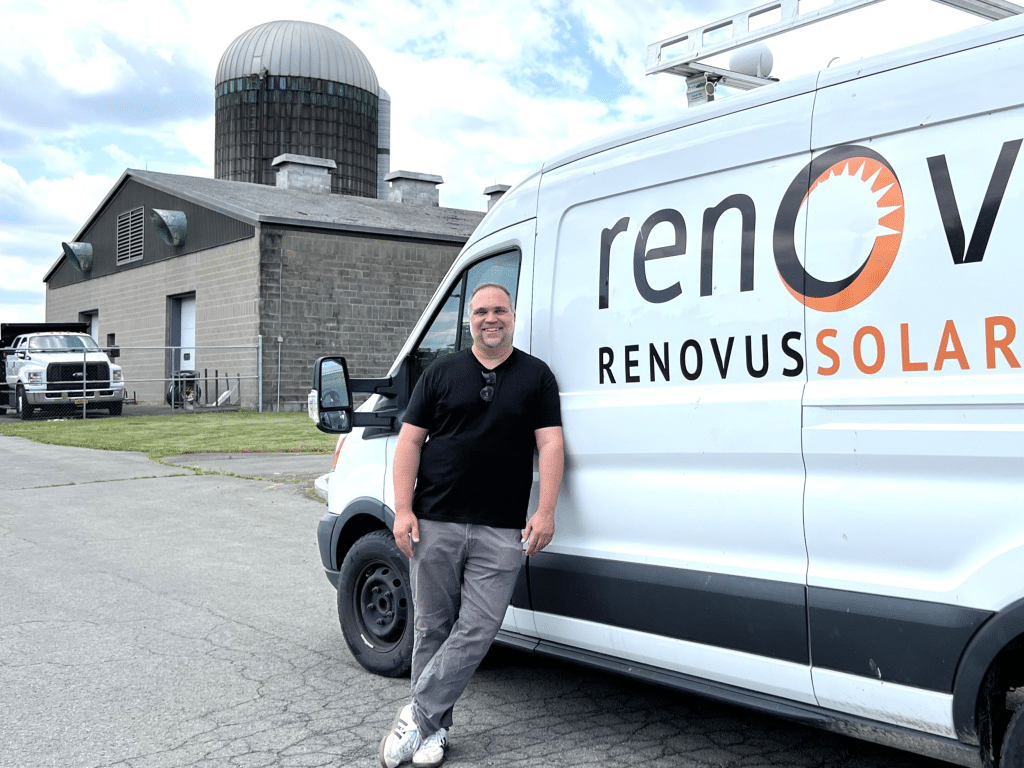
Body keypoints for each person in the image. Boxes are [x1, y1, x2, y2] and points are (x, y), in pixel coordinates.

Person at [379, 283, 564, 768]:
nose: (490, 318)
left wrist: (545, 509)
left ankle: (418, 716)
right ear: (470, 320)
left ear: (513, 315)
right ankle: (436, 731)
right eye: (480, 311)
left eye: (499, 309)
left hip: (501, 530)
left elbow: (549, 445)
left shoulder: (536, 376)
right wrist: (403, 509)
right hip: (434, 521)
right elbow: (409, 445)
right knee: (432, 628)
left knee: (480, 627)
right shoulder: (441, 372)